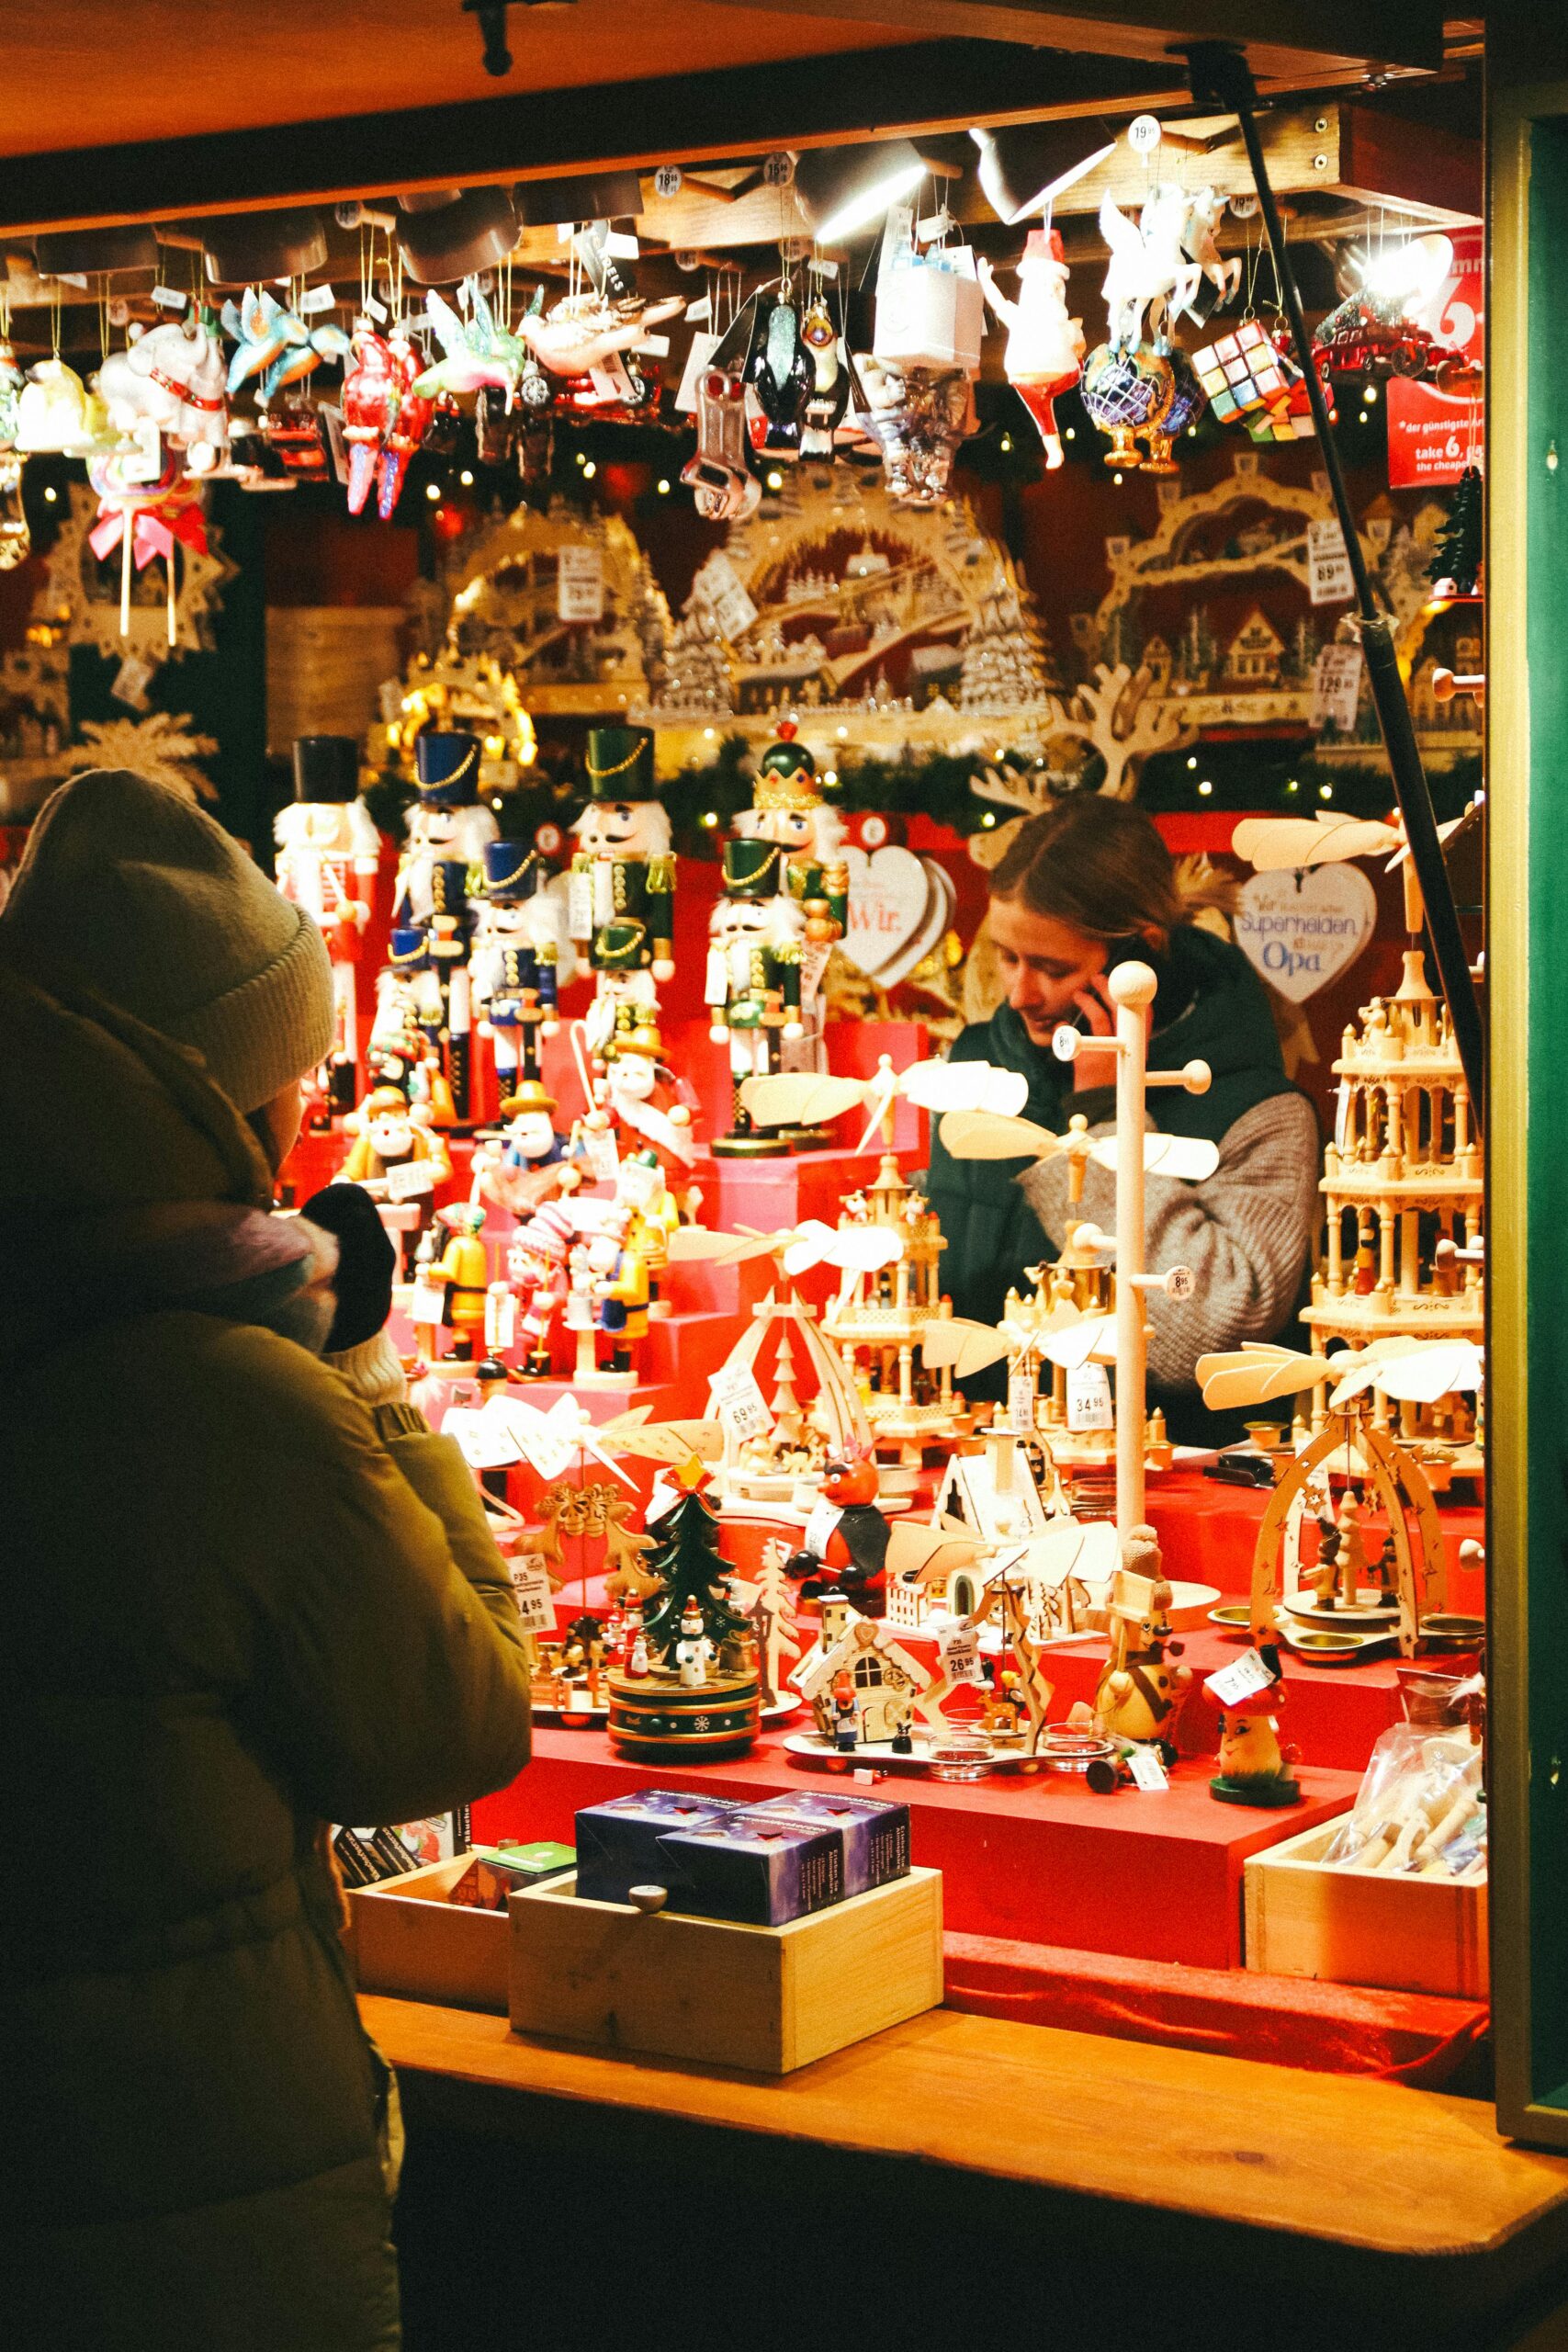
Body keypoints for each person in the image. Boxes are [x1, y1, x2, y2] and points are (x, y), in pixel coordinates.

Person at [0, 772, 534, 2352]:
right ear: (220, 1097)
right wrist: (364, 1379)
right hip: (179, 2170)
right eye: (296, 1072)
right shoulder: (231, 1399)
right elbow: (452, 1723)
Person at [926, 794, 1319, 1442]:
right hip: (974, 1465)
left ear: (1144, 954)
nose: (1020, 993)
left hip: (1163, 1488)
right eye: (1006, 957)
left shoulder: (1260, 1113)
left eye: (1052, 968)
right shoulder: (975, 1067)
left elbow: (1203, 1338)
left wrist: (1106, 1123)